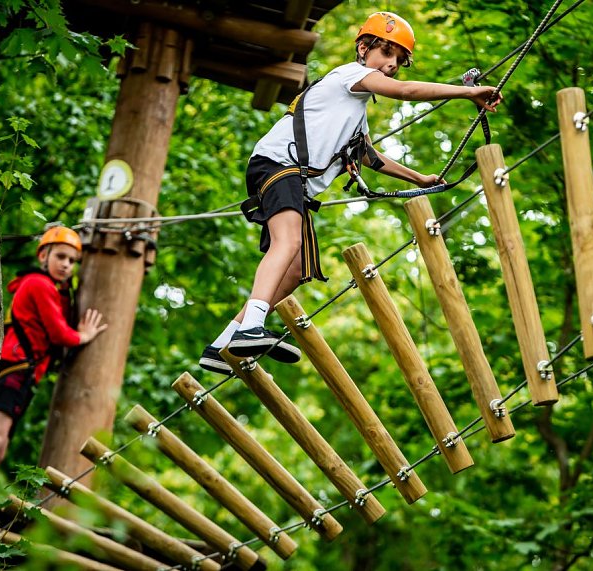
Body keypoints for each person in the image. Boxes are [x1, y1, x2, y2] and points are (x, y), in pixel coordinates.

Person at [199, 11, 502, 374]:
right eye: (385, 54)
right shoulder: (350, 76)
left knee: (294, 270)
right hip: (279, 165)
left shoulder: (354, 111)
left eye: (397, 61)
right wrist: (469, 92)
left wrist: (418, 178)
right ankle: (251, 329)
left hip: (291, 177)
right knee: (288, 243)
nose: (391, 65)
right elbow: (406, 92)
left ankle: (222, 345)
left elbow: (368, 155)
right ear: (363, 48)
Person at [0, 225, 108, 492]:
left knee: (2, 442)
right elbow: (60, 334)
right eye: (60, 257)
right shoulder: (39, 284)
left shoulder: (49, 288)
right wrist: (84, 335)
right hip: (16, 366)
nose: (66, 265)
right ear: (43, 255)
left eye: (72, 261)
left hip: (22, 370)